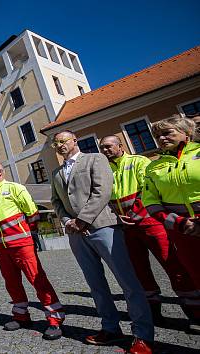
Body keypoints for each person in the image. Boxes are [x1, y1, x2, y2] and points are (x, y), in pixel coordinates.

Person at [50, 130, 153, 353]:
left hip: (103, 226)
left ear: (74, 141)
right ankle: (110, 328)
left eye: (63, 141)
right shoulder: (57, 173)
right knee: (96, 284)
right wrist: (68, 220)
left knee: (127, 281)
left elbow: (102, 191)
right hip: (76, 234)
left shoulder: (95, 159)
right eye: (55, 143)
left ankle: (143, 334)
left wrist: (82, 219)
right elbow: (56, 201)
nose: (59, 145)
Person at [99, 134, 200, 328]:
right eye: (102, 148)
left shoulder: (138, 161)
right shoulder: (105, 170)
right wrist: (116, 215)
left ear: (120, 146)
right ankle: (153, 310)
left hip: (149, 222)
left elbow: (147, 192)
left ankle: (194, 310)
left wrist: (135, 214)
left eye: (108, 146)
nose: (105, 150)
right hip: (126, 227)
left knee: (172, 263)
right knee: (139, 270)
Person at [0, 162, 65, 340]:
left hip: (22, 244)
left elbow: (32, 213)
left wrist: (28, 235)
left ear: (0, 172)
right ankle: (21, 315)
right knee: (11, 282)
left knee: (37, 279)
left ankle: (54, 318)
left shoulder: (15, 188)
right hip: (3, 248)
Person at [142, 116, 200, 334]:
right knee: (195, 273)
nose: (162, 138)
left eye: (168, 133)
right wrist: (178, 223)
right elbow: (150, 201)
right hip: (181, 230)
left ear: (186, 133)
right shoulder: (154, 166)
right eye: (158, 135)